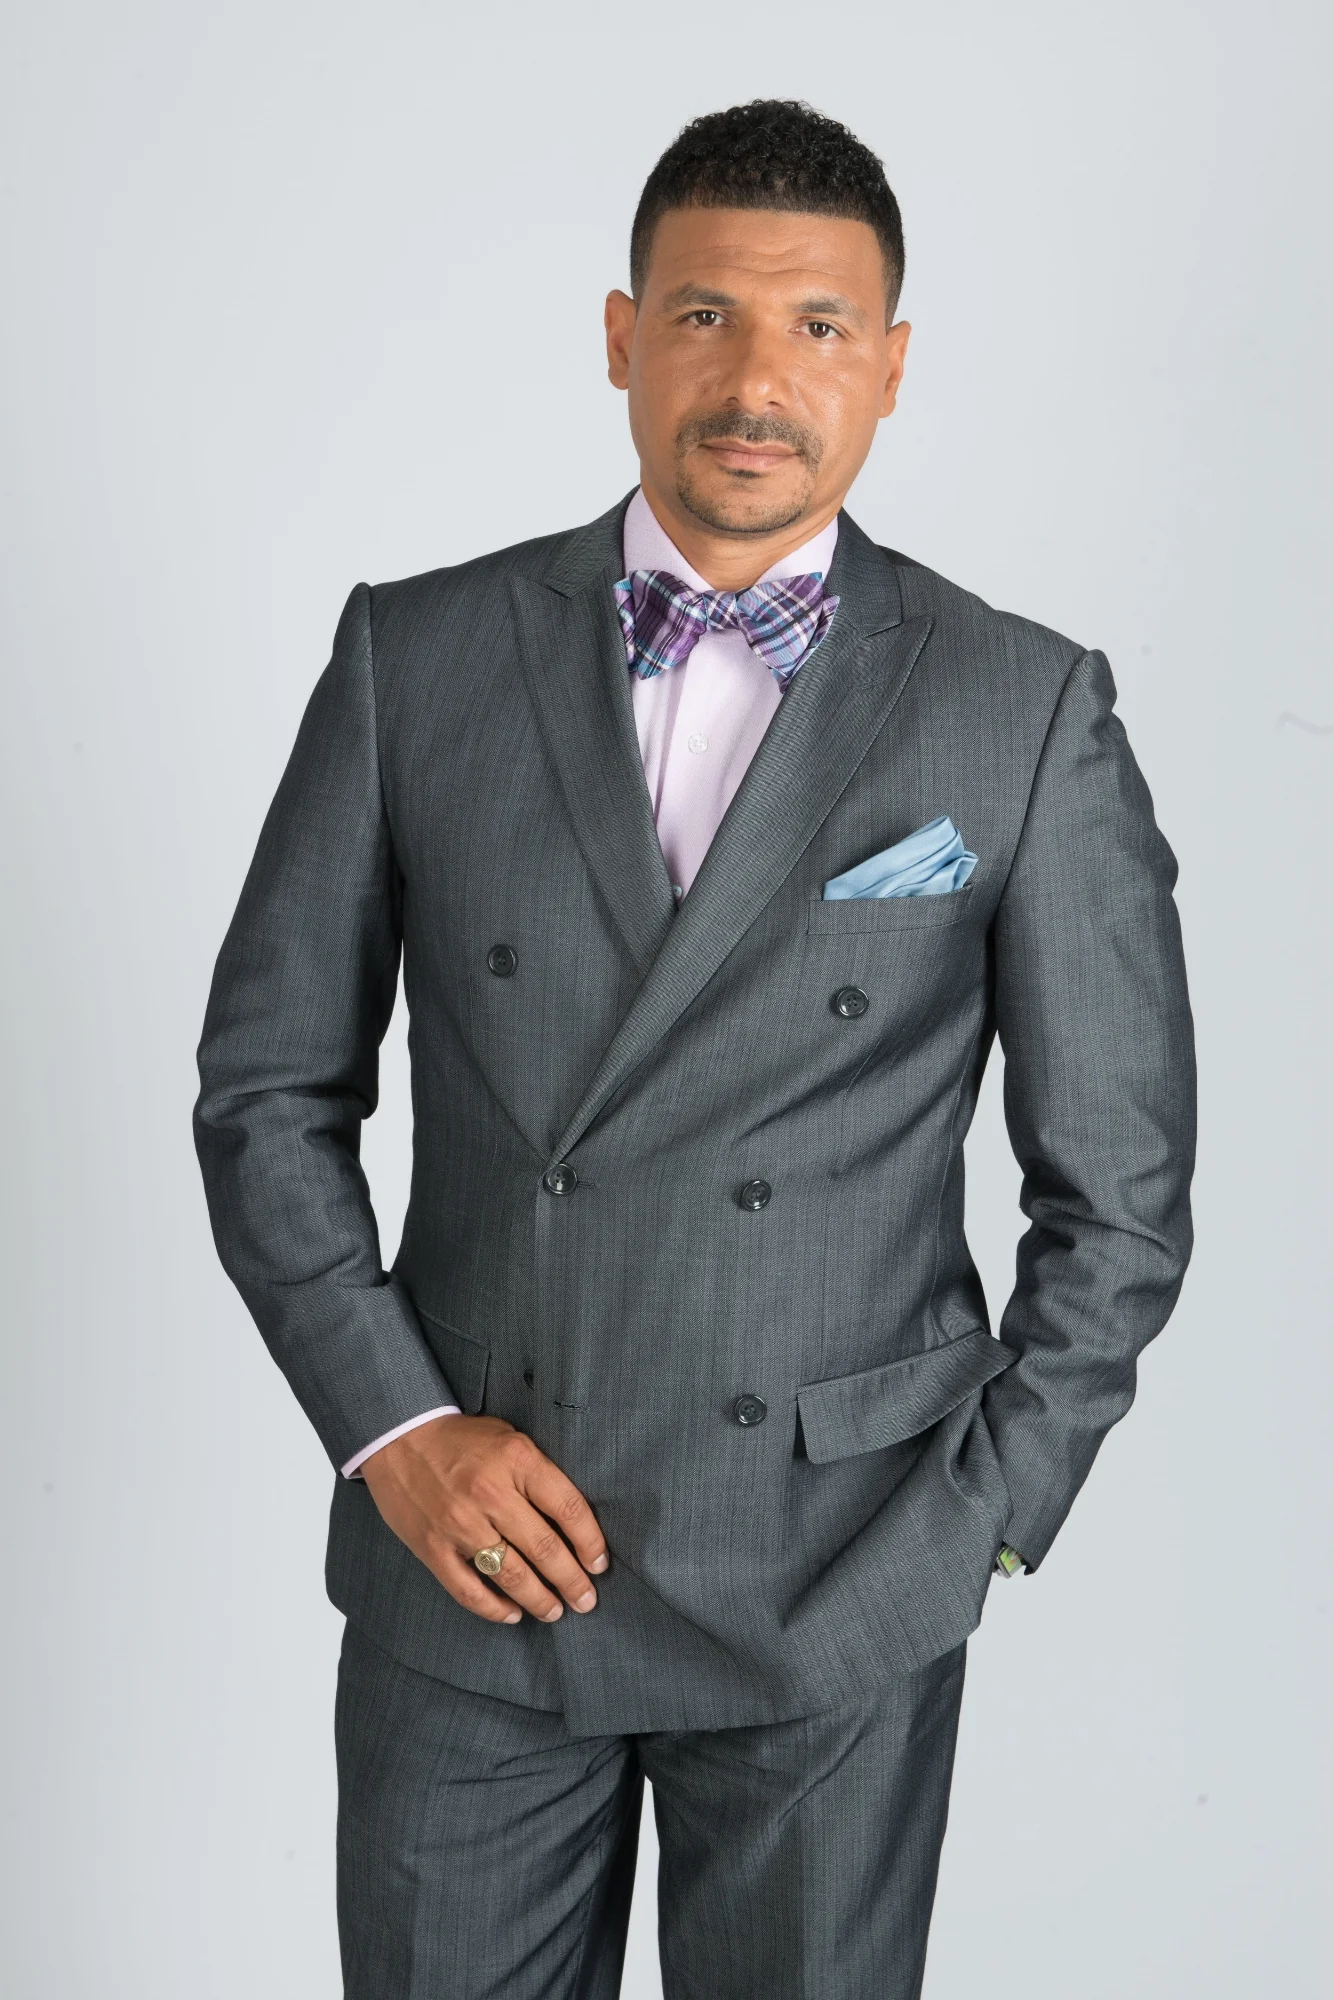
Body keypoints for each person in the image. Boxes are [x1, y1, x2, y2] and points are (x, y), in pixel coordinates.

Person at [195, 98, 1195, 2000]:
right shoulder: (419, 656)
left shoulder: (1021, 706)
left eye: (820, 326)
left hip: (837, 1581)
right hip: (473, 1564)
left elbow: (1121, 1200)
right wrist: (396, 1434)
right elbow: (266, 1095)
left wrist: (973, 1529)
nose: (757, 381)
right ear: (620, 337)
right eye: (705, 316)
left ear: (891, 365)